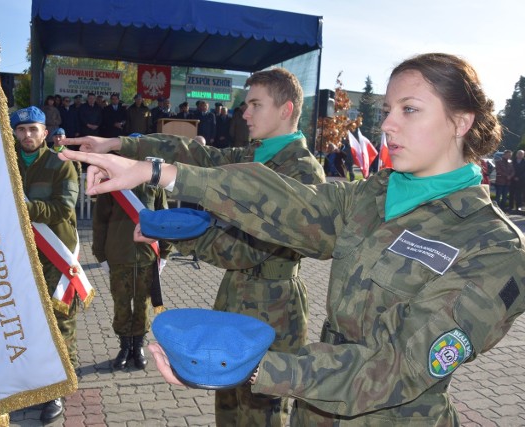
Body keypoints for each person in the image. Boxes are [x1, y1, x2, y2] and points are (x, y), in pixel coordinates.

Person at [60, 53, 525, 425]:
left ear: (461, 122)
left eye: (410, 110)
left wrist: (259, 368)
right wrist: (160, 172)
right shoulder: (373, 195)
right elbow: (292, 205)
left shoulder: (494, 247)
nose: (387, 124)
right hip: (314, 407)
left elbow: (399, 367)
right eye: (387, 110)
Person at [62, 67, 325, 426]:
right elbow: (190, 153)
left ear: (285, 109)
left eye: (254, 104)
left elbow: (250, 248)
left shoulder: (302, 173)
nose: (244, 113)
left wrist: (170, 234)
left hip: (274, 306)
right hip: (236, 294)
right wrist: (120, 145)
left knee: (260, 409)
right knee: (228, 407)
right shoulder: (256, 157)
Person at [10, 106, 80, 422]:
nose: (27, 135)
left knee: (58, 322)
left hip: (55, 255)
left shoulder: (60, 164)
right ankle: (34, 385)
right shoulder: (3, 166)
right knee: (26, 322)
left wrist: (24, 207)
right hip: (20, 256)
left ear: (45, 133)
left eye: (33, 129)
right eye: (21, 129)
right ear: (14, 132)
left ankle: (57, 390)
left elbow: (63, 209)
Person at [93, 183, 172, 370]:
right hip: (118, 256)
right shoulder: (111, 184)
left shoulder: (153, 184)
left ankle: (138, 347)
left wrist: (166, 252)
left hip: (146, 257)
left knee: (142, 305)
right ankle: (124, 347)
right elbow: (100, 222)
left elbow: (165, 219)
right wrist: (100, 254)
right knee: (121, 305)